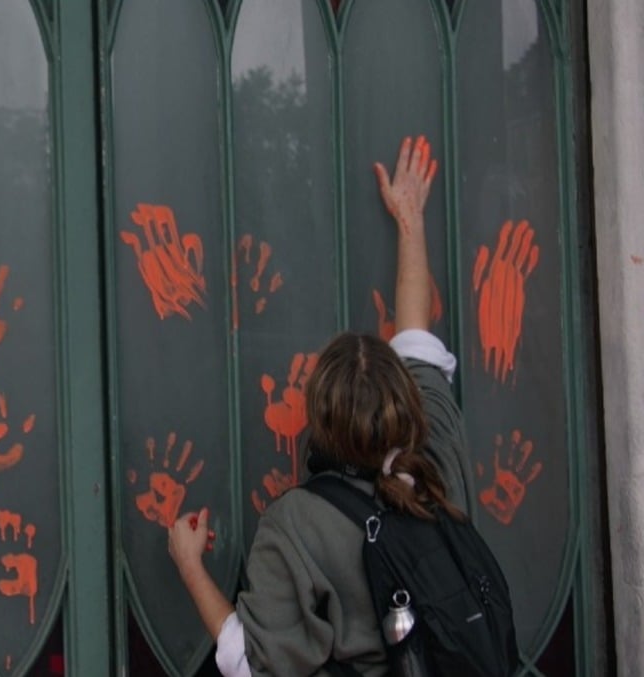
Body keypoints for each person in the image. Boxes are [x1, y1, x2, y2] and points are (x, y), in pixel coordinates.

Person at [168, 136, 473, 676]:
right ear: (403, 398)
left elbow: (253, 667)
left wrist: (190, 567)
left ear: (317, 423)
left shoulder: (297, 524)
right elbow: (415, 332)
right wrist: (410, 220)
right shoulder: (439, 450)